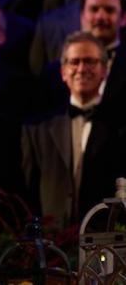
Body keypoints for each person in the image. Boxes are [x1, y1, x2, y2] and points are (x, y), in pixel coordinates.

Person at [22, 32, 126, 227]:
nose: (81, 68)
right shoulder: (36, 129)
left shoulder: (120, 127)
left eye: (90, 61)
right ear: (63, 72)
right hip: (51, 241)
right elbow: (28, 191)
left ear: (104, 70)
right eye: (74, 62)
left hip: (105, 239)